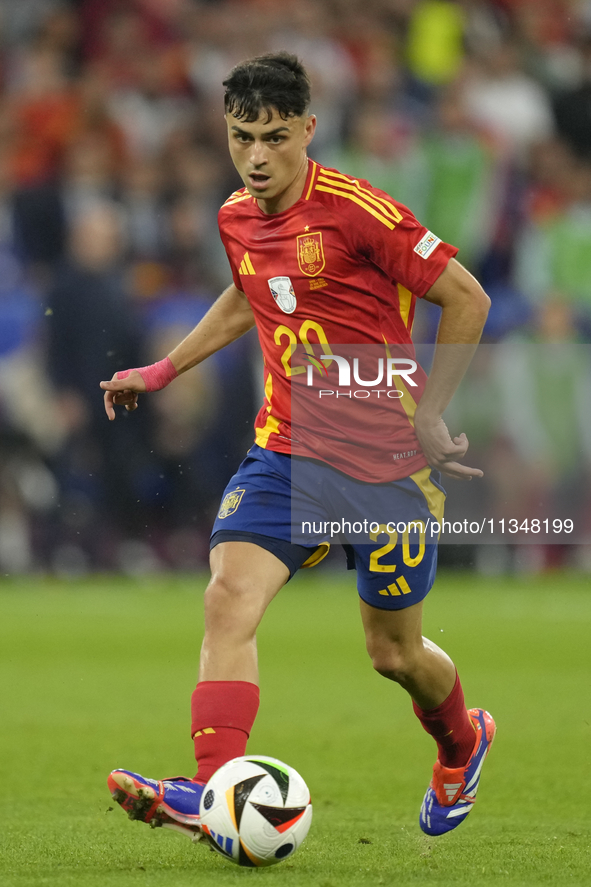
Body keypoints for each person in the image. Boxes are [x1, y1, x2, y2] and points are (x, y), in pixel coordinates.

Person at [100, 52, 494, 842]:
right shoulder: (235, 215)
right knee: (226, 597)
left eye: (274, 137)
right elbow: (252, 292)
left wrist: (432, 411)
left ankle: (463, 738)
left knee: (393, 653)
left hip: (384, 465)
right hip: (287, 450)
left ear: (307, 129)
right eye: (242, 136)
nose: (255, 156)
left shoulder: (358, 211)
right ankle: (211, 795)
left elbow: (467, 297)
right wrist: (163, 367)